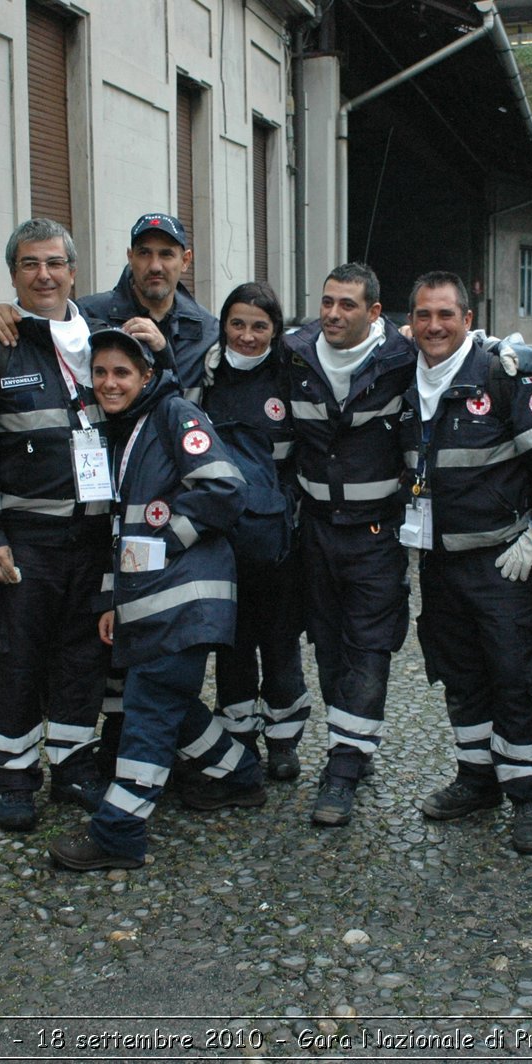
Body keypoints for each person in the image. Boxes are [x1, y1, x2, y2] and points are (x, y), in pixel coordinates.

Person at [48, 328, 265, 871]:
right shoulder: (122, 430)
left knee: (148, 707)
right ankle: (239, 774)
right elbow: (117, 534)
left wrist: (166, 541)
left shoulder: (173, 415)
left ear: (147, 375)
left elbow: (225, 487)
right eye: (100, 372)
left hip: (185, 597)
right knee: (170, 703)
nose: (109, 382)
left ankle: (119, 833)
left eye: (122, 372)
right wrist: (109, 604)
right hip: (153, 600)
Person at [0, 219, 109, 830]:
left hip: (92, 539)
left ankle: (72, 767)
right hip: (25, 544)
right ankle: (13, 781)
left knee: (81, 659)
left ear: (73, 271)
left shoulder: (103, 339)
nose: (44, 275)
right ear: (13, 274)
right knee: (16, 661)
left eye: (55, 263)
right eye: (30, 264)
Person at [400, 271, 532, 855]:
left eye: (446, 314)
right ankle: (477, 779)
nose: (434, 326)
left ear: (468, 321)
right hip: (439, 564)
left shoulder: (505, 378)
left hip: (501, 567)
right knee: (460, 672)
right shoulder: (404, 381)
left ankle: (529, 794)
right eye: (423, 315)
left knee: (517, 677)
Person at [285, 263, 417, 827]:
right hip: (314, 531)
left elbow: (464, 352)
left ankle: (342, 768)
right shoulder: (295, 355)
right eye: (327, 302)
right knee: (329, 643)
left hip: (374, 535)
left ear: (375, 313)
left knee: (368, 647)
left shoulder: (401, 361)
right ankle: (352, 745)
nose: (333, 314)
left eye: (347, 305)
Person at [199, 282, 310, 779]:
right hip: (224, 541)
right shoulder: (205, 374)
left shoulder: (292, 375)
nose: (247, 335)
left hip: (279, 542)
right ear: (223, 324)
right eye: (237, 324)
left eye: (259, 326)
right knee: (234, 645)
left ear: (276, 329)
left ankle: (284, 741)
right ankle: (239, 736)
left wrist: (287, 510)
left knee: (281, 642)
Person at [0, 212, 214, 401]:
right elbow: (45, 322)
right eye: (144, 253)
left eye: (166, 255)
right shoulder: (88, 315)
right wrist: (0, 313)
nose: (155, 266)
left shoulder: (209, 330)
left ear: (185, 260)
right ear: (130, 257)